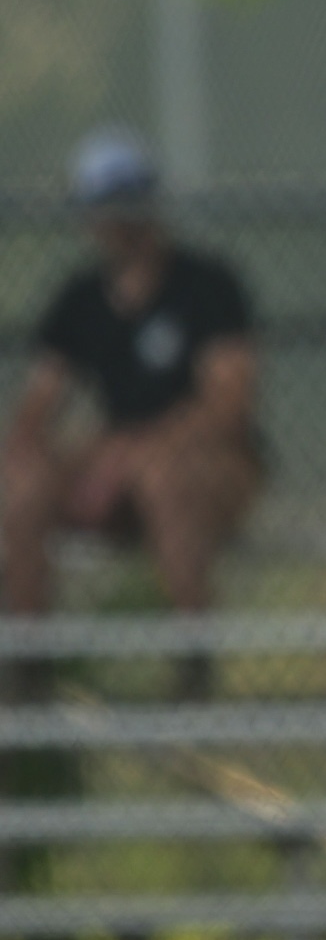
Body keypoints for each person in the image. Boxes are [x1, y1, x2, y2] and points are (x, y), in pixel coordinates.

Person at [2, 128, 259, 697]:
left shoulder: (206, 285)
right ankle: (30, 662)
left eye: (125, 205)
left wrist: (132, 452)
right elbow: (39, 405)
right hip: (114, 465)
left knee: (163, 475)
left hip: (200, 464)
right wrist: (45, 459)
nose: (115, 224)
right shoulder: (79, 297)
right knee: (19, 484)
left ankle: (193, 661)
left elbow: (227, 406)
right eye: (102, 208)